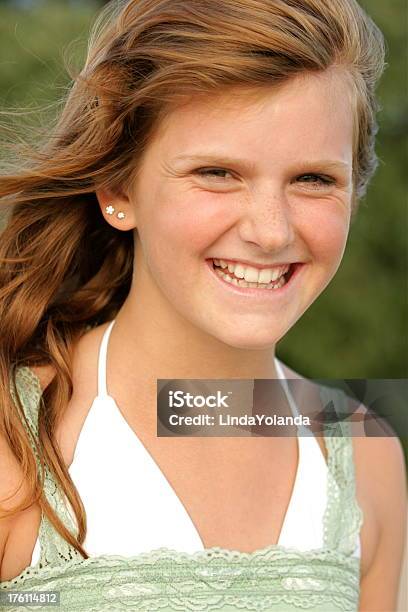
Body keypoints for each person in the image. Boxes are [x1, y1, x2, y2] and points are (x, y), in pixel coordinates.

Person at [0, 0, 406, 610]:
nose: (271, 231)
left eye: (314, 180)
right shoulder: (14, 442)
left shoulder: (365, 451)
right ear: (118, 190)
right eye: (217, 172)